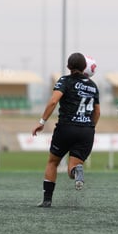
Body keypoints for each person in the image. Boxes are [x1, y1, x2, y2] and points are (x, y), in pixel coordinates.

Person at [32, 52, 100, 208]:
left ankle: (47, 200)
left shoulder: (65, 80)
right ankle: (77, 171)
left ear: (68, 67)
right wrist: (89, 128)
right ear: (85, 67)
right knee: (72, 167)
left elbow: (53, 101)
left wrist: (42, 121)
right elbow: (97, 112)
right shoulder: (93, 86)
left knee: (53, 162)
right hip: (86, 131)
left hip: (66, 128)